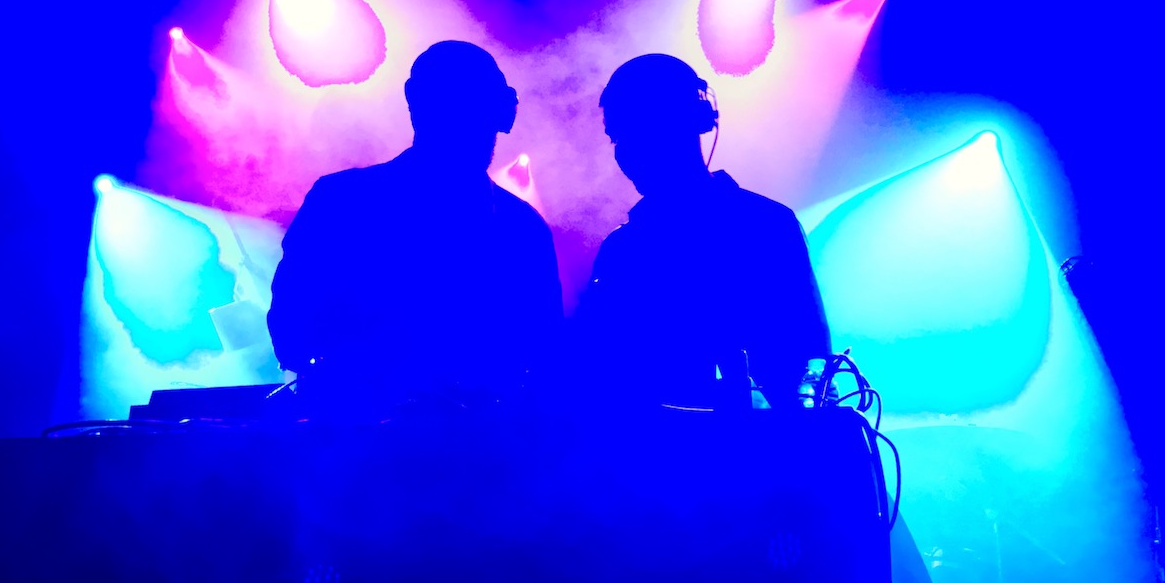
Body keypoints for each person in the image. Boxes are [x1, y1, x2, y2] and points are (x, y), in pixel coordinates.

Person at [267, 41, 562, 419]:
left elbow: (543, 347)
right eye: (455, 105)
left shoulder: (342, 199)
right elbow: (292, 319)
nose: (464, 123)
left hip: (466, 442)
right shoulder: (521, 227)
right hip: (361, 434)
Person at [575, 53, 830, 411]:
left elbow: (809, 358)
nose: (626, 153)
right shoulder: (621, 248)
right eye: (618, 139)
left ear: (690, 122)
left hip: (755, 442)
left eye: (640, 133)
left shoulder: (767, 227)